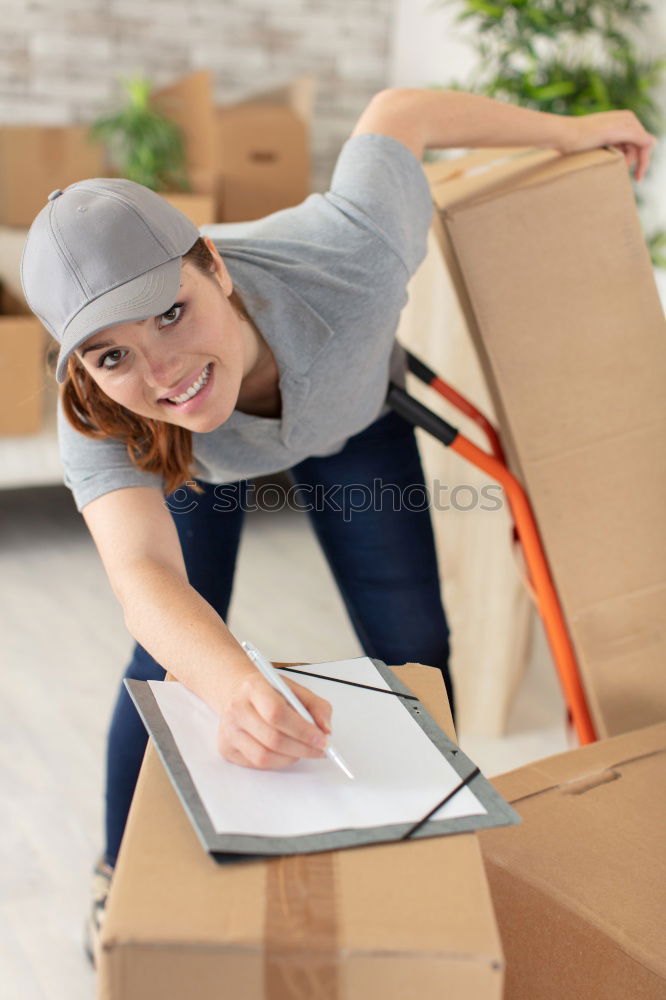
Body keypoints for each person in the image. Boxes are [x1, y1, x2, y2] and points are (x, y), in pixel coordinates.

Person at [21, 87, 654, 963]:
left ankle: (435, 838)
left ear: (215, 264)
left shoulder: (348, 253)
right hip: (196, 466)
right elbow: (146, 580)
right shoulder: (101, 409)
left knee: (413, 641)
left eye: (171, 310)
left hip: (351, 420)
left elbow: (401, 111)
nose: (163, 370)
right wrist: (234, 681)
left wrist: (577, 129)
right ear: (82, 364)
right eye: (112, 352)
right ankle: (110, 867)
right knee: (176, 661)